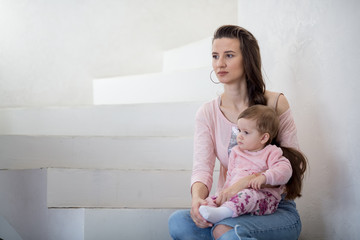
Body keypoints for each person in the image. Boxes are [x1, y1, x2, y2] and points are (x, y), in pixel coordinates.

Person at [168, 25, 307, 240]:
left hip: (275, 210)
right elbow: (202, 169)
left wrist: (247, 182)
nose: (219, 63)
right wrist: (197, 200)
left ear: (247, 59)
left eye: (229, 55)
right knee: (179, 222)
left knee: (229, 236)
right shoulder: (207, 113)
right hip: (229, 207)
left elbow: (294, 168)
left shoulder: (275, 103)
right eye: (215, 56)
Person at [199, 105, 292, 224]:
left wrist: (264, 177)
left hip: (264, 198)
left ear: (264, 138)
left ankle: (223, 213)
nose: (240, 136)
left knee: (247, 195)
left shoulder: (271, 152)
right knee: (215, 198)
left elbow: (285, 170)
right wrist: (225, 192)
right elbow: (230, 176)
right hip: (236, 193)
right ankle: (209, 211)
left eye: (246, 132)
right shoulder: (236, 152)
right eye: (239, 130)